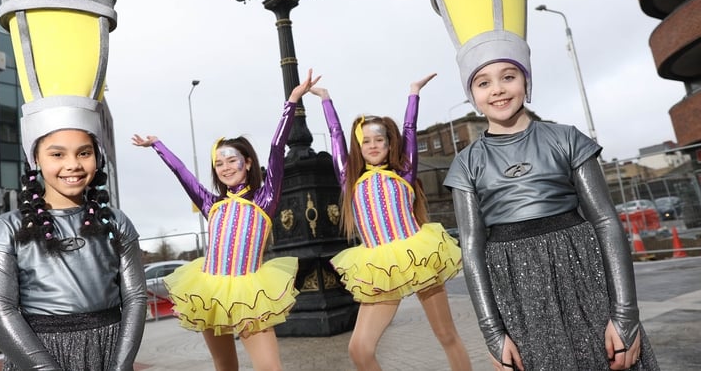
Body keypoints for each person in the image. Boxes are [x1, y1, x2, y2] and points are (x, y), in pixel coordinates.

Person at [444, 61, 660, 371]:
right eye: (483, 83)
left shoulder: (567, 138)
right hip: (520, 300)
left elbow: (605, 222)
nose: (498, 89)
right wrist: (493, 333)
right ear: (471, 95)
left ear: (526, 82)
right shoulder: (466, 164)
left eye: (508, 77)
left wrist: (625, 316)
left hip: (585, 280)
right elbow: (471, 249)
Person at [132, 69, 319, 371]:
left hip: (249, 293)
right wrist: (158, 145)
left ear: (248, 163)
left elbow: (275, 149)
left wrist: (293, 101)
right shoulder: (212, 205)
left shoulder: (264, 199)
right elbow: (182, 173)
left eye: (232, 160)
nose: (225, 167)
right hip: (209, 291)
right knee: (224, 365)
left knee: (270, 368)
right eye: (219, 163)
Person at [309, 73, 472, 371]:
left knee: (447, 335)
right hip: (379, 267)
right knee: (359, 349)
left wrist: (414, 93)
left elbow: (409, 128)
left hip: (419, 257)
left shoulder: (404, 172)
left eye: (379, 139)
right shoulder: (349, 179)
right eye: (365, 141)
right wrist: (325, 99)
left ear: (388, 143)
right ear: (358, 147)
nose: (372, 145)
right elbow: (335, 134)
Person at [0, 128, 147, 370]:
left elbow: (135, 297)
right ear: (35, 159)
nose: (73, 165)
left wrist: (121, 365)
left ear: (97, 157)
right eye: (57, 154)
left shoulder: (116, 222)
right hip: (38, 354)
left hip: (109, 351)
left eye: (84, 153)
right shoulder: (6, 228)